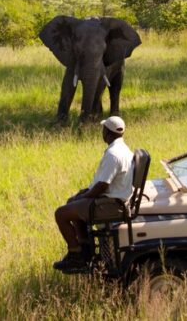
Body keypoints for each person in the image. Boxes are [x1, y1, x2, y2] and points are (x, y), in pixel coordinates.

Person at [53, 116, 134, 272]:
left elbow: (103, 185)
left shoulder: (113, 154)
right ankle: (85, 249)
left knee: (61, 214)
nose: (102, 132)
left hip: (109, 205)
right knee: (72, 202)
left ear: (108, 133)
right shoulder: (124, 149)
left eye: (103, 129)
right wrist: (84, 194)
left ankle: (75, 254)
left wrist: (85, 196)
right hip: (115, 200)